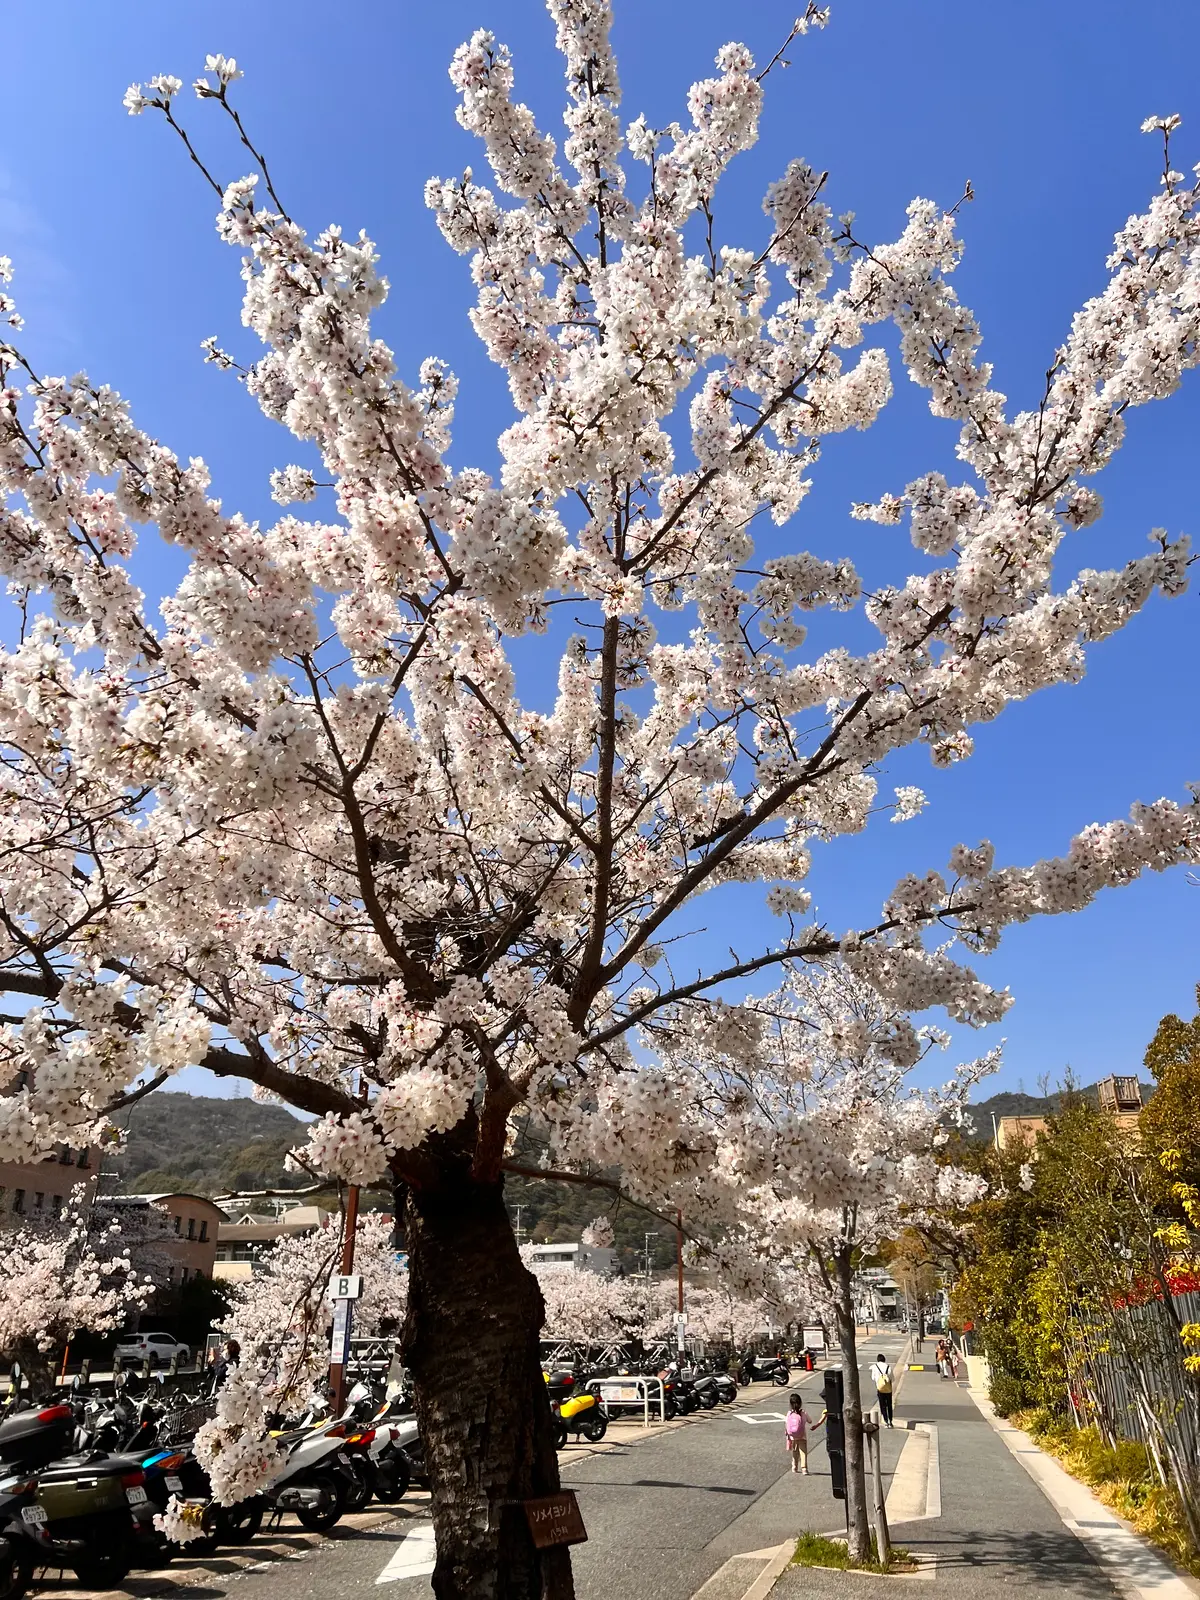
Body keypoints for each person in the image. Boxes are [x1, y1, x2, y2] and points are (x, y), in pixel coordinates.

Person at [784, 1391, 824, 1474]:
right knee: (803, 1452)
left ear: (791, 1404)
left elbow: (786, 1423)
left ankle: (794, 1467)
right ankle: (804, 1469)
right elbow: (810, 1421)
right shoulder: (803, 1413)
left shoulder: (789, 1413)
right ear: (800, 1403)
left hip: (793, 1436)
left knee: (795, 1452)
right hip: (802, 1436)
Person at [869, 1352, 894, 1426]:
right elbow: (893, 1378)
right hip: (888, 1389)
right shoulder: (888, 1367)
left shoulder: (875, 1367)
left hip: (880, 1389)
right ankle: (890, 1420)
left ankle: (886, 1420)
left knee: (882, 1405)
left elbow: (873, 1378)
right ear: (884, 1360)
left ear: (877, 1360)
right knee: (889, 1404)